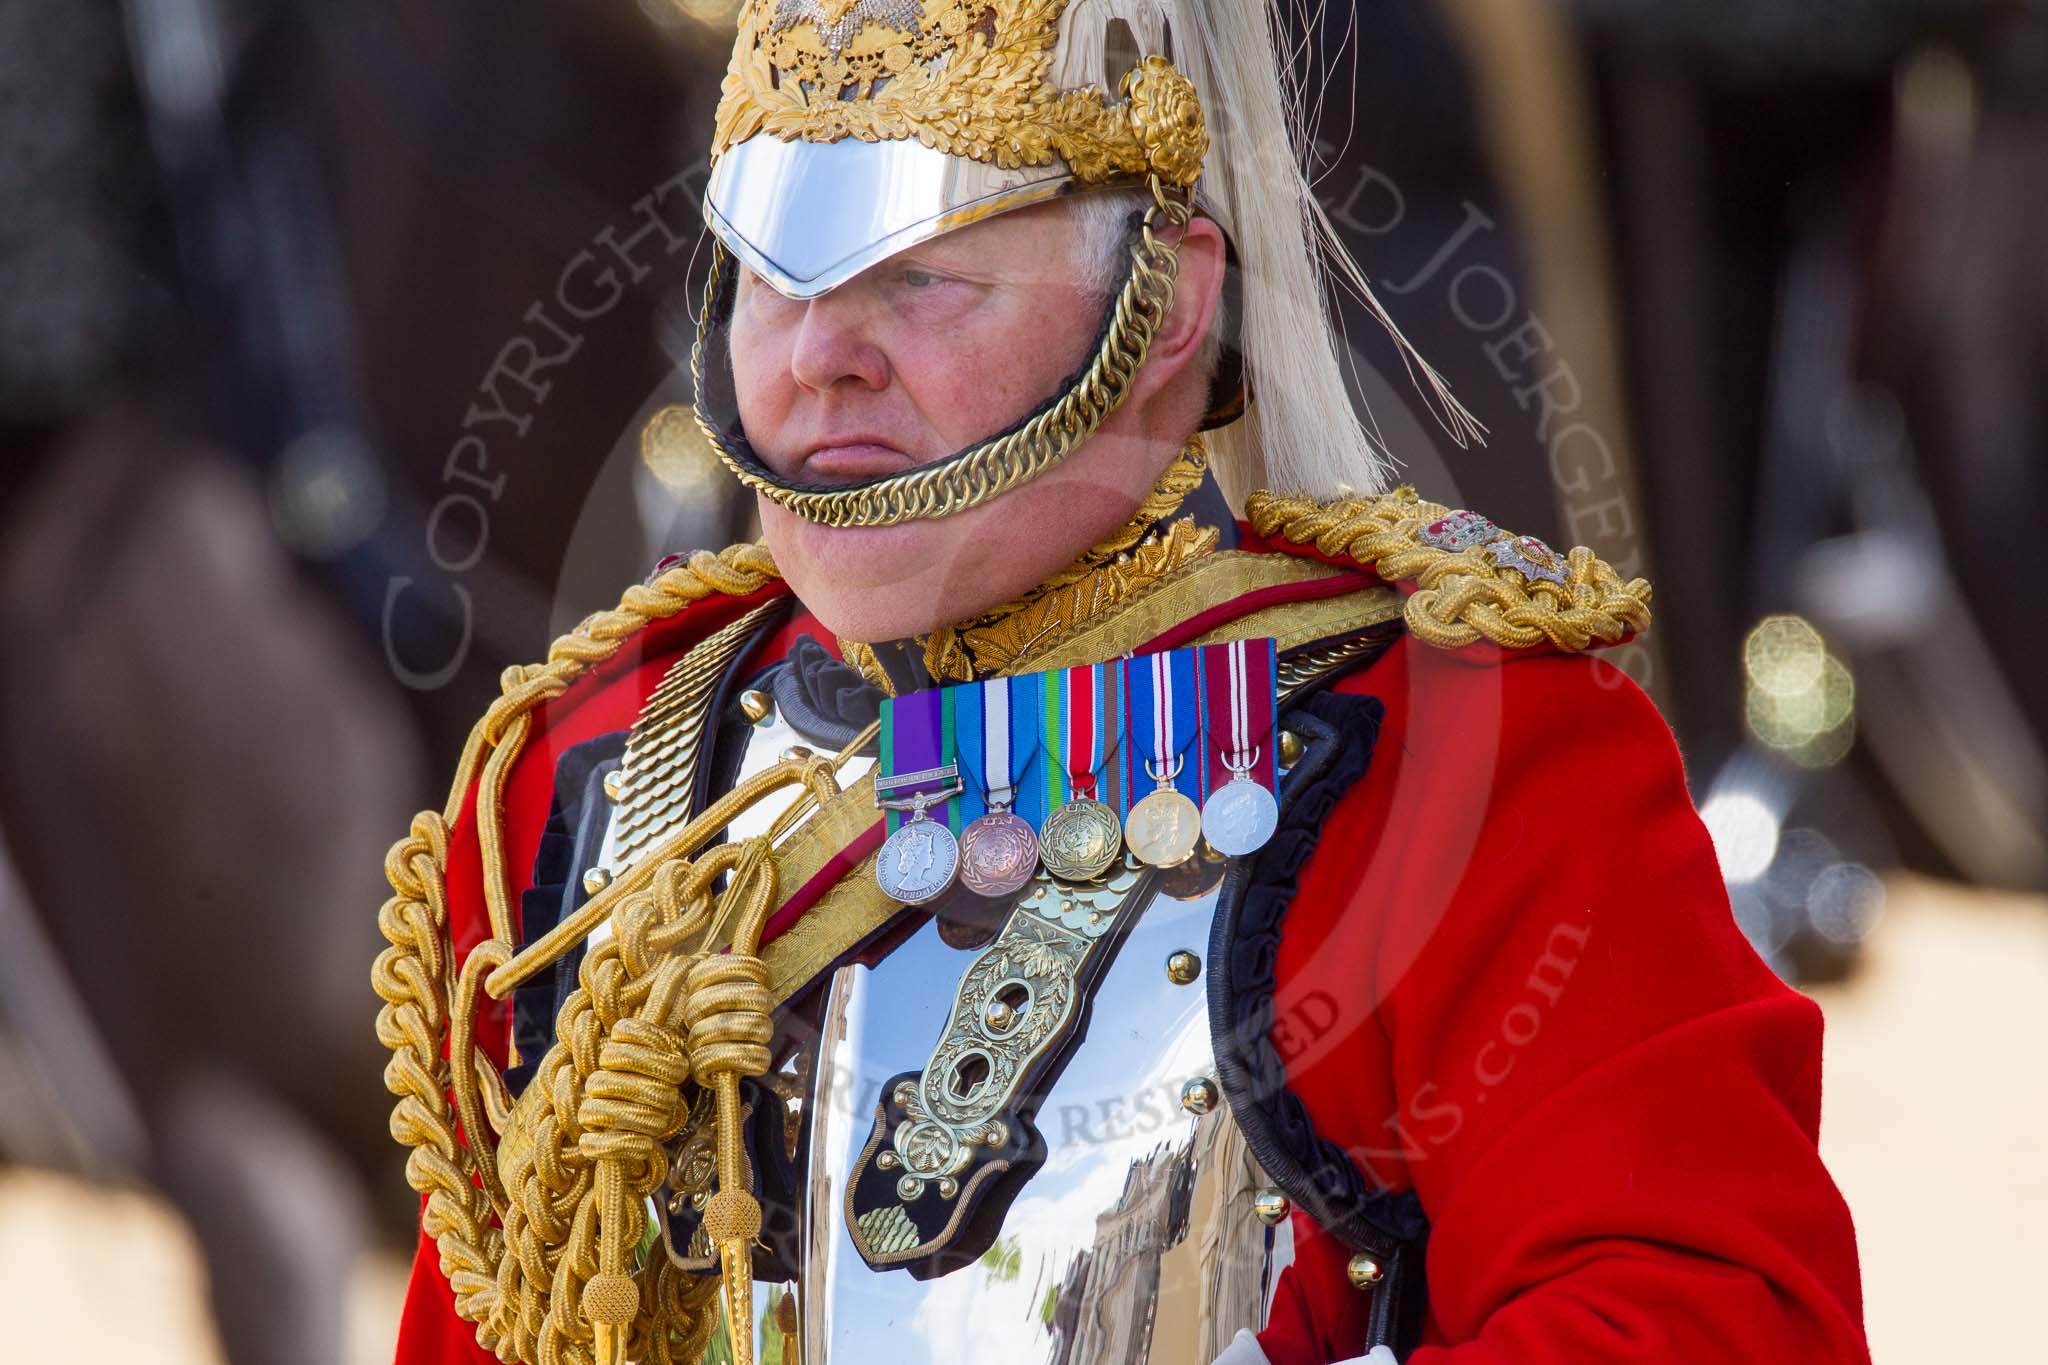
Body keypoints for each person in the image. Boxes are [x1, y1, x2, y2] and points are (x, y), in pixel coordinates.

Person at [375, 2, 1871, 1362]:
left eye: (919, 277)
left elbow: (1722, 1321)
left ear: (1160, 307)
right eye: (774, 278)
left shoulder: (1468, 753)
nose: (819, 356)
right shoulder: (581, 789)